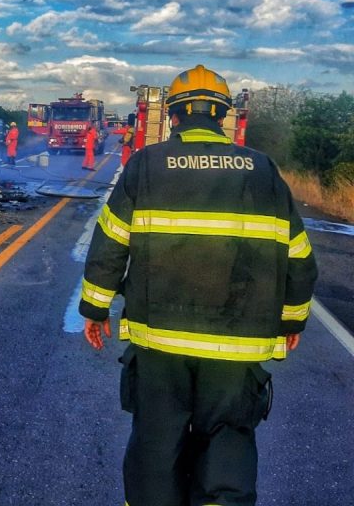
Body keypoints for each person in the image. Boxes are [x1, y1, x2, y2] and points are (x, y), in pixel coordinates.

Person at [79, 64, 317, 506]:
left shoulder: (146, 165)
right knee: (228, 443)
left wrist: (95, 309)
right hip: (237, 347)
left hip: (160, 344)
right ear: (224, 116)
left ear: (173, 116)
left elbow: (110, 243)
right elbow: (299, 258)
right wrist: (292, 317)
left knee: (156, 441)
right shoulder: (263, 171)